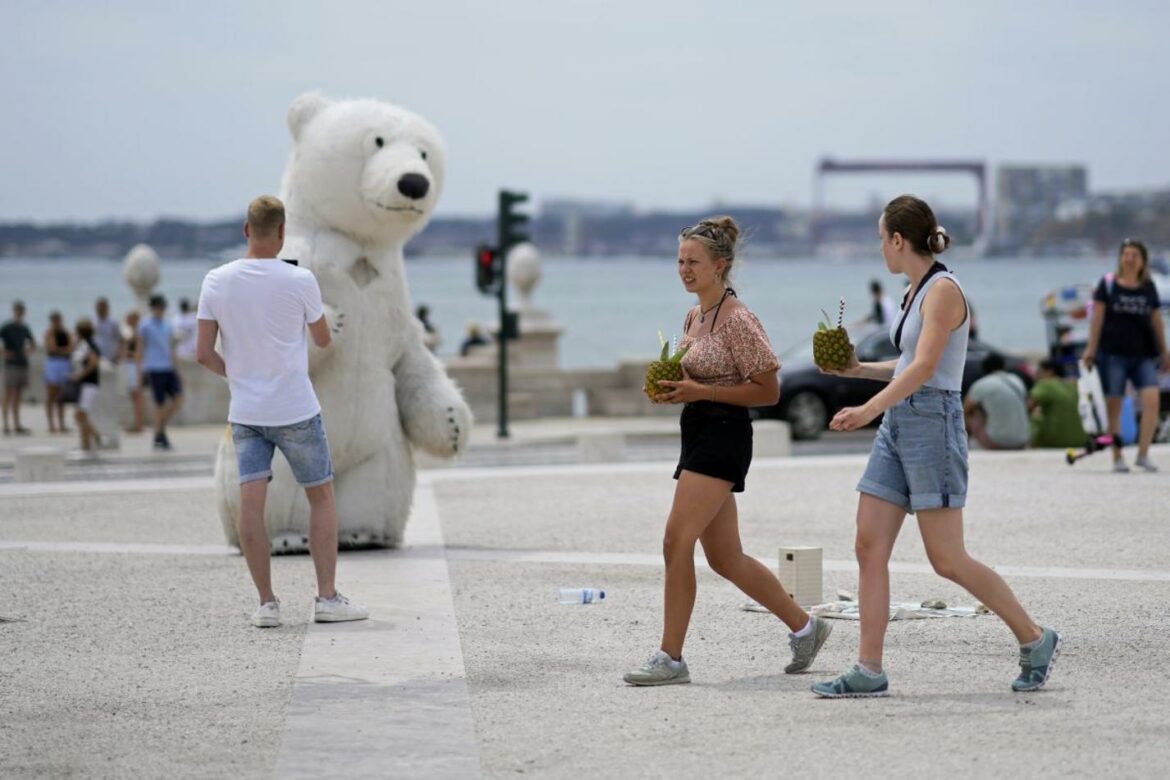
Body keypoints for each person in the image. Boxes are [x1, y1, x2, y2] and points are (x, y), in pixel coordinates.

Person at [812, 195, 1059, 698]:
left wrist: (867, 409)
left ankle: (1034, 637)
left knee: (947, 559)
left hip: (933, 422)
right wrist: (858, 370)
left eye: (882, 238)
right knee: (868, 546)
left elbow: (927, 369)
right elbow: (908, 364)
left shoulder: (942, 291)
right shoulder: (912, 292)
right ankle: (869, 668)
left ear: (899, 241)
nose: (879, 248)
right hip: (901, 422)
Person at [623, 216, 832, 686]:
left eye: (693, 261)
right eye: (679, 261)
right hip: (696, 429)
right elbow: (696, 382)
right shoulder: (693, 317)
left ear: (720, 266)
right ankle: (806, 626)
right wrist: (675, 390)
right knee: (725, 558)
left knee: (675, 541)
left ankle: (670, 658)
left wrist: (701, 392)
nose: (684, 269)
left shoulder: (740, 319)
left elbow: (769, 391)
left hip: (724, 433)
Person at [196, 194, 367, 628]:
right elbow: (324, 339)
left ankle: (267, 604)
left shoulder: (216, 281)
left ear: (246, 230)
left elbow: (202, 353)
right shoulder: (301, 280)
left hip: (247, 412)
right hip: (295, 409)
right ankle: (327, 598)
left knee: (251, 505)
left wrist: (237, 375)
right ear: (283, 233)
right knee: (321, 497)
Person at [1081, 239, 1170, 472]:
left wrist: (1165, 351)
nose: (1130, 259)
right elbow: (1097, 319)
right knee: (1115, 405)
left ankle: (1143, 453)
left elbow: (1156, 320)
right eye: (1126, 254)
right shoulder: (1108, 285)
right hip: (1113, 354)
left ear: (1142, 261)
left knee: (1152, 401)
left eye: (1135, 255)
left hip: (1143, 355)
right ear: (1121, 258)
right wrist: (1091, 348)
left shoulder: (1148, 286)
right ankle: (1117, 456)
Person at [137, 294, 183, 450]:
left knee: (178, 399)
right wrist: (140, 371)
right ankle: (159, 435)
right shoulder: (145, 325)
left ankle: (159, 430)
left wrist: (177, 369)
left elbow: (171, 348)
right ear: (153, 308)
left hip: (168, 367)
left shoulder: (168, 325)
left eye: (162, 307)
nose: (160, 310)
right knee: (159, 404)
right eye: (157, 307)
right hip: (154, 368)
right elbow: (140, 348)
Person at [963, 353, 1029, 450]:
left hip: (997, 441)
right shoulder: (1017, 380)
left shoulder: (981, 384)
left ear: (984, 368)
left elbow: (965, 409)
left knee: (976, 413)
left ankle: (968, 444)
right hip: (1022, 440)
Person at [1029, 358, 1086, 448]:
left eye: (1039, 370)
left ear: (1049, 372)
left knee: (1034, 418)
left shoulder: (1045, 384)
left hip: (1056, 441)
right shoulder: (1071, 386)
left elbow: (1028, 407)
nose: (1036, 374)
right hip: (1079, 440)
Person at [1, 301, 36, 435]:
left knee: (18, 395)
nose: (19, 313)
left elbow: (32, 343)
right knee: (8, 394)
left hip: (22, 363)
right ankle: (6, 424)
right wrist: (4, 352)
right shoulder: (7, 327)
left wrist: (28, 351)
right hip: (11, 365)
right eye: (18, 310)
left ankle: (17, 424)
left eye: (21, 311)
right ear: (14, 311)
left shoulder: (24, 328)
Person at [69, 318, 102, 453]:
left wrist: (80, 375)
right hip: (88, 383)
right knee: (82, 414)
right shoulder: (88, 344)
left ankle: (91, 439)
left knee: (80, 414)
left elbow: (93, 362)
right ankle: (87, 442)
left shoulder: (88, 345)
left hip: (89, 383)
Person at [42, 311, 73, 434]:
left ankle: (62, 424)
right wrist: (63, 350)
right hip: (53, 363)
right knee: (51, 394)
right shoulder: (49, 332)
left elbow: (71, 347)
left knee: (61, 396)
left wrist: (62, 350)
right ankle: (51, 424)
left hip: (64, 364)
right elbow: (52, 347)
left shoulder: (66, 332)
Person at [120, 311, 146, 433]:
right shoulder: (131, 333)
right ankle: (136, 423)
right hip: (130, 366)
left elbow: (138, 354)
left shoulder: (137, 334)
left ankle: (139, 425)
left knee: (136, 397)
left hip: (134, 367)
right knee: (134, 396)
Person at [93, 297, 122, 365]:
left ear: (107, 308)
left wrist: (118, 354)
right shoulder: (92, 322)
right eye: (99, 307)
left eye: (102, 307)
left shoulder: (113, 323)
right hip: (96, 357)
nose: (100, 309)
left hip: (110, 357)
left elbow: (120, 339)